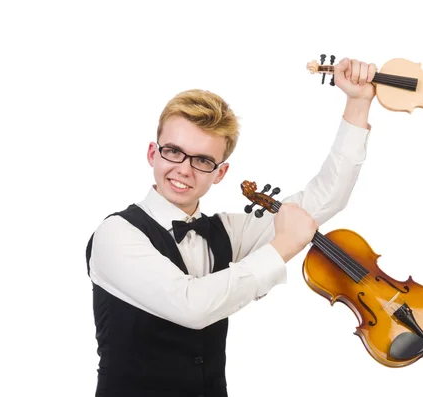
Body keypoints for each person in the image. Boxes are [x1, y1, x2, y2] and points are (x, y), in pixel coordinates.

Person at [85, 57, 378, 397]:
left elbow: (322, 201)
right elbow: (192, 306)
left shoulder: (227, 232)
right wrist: (281, 247)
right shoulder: (115, 235)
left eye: (202, 160)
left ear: (220, 173)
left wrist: (358, 103)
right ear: (153, 153)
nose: (184, 169)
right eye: (173, 152)